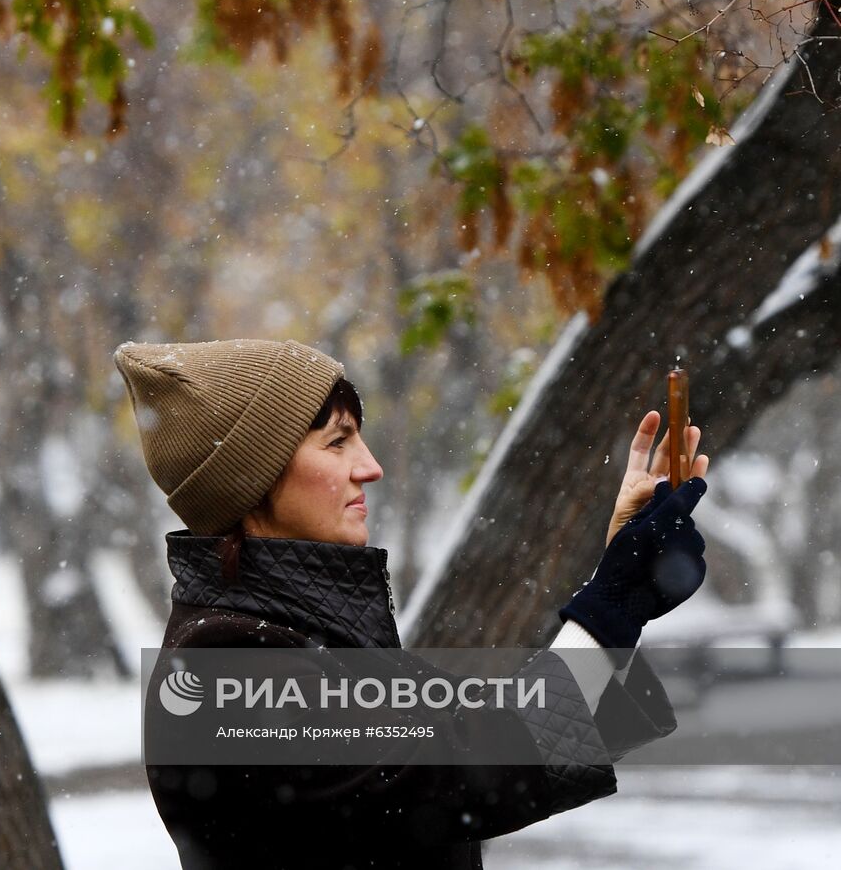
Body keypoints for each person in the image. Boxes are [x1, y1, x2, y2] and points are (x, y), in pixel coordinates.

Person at [114, 338, 710, 870]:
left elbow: (492, 727)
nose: (370, 467)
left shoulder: (315, 629)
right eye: (337, 442)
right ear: (254, 478)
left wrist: (617, 592)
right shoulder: (229, 659)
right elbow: (466, 772)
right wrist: (608, 609)